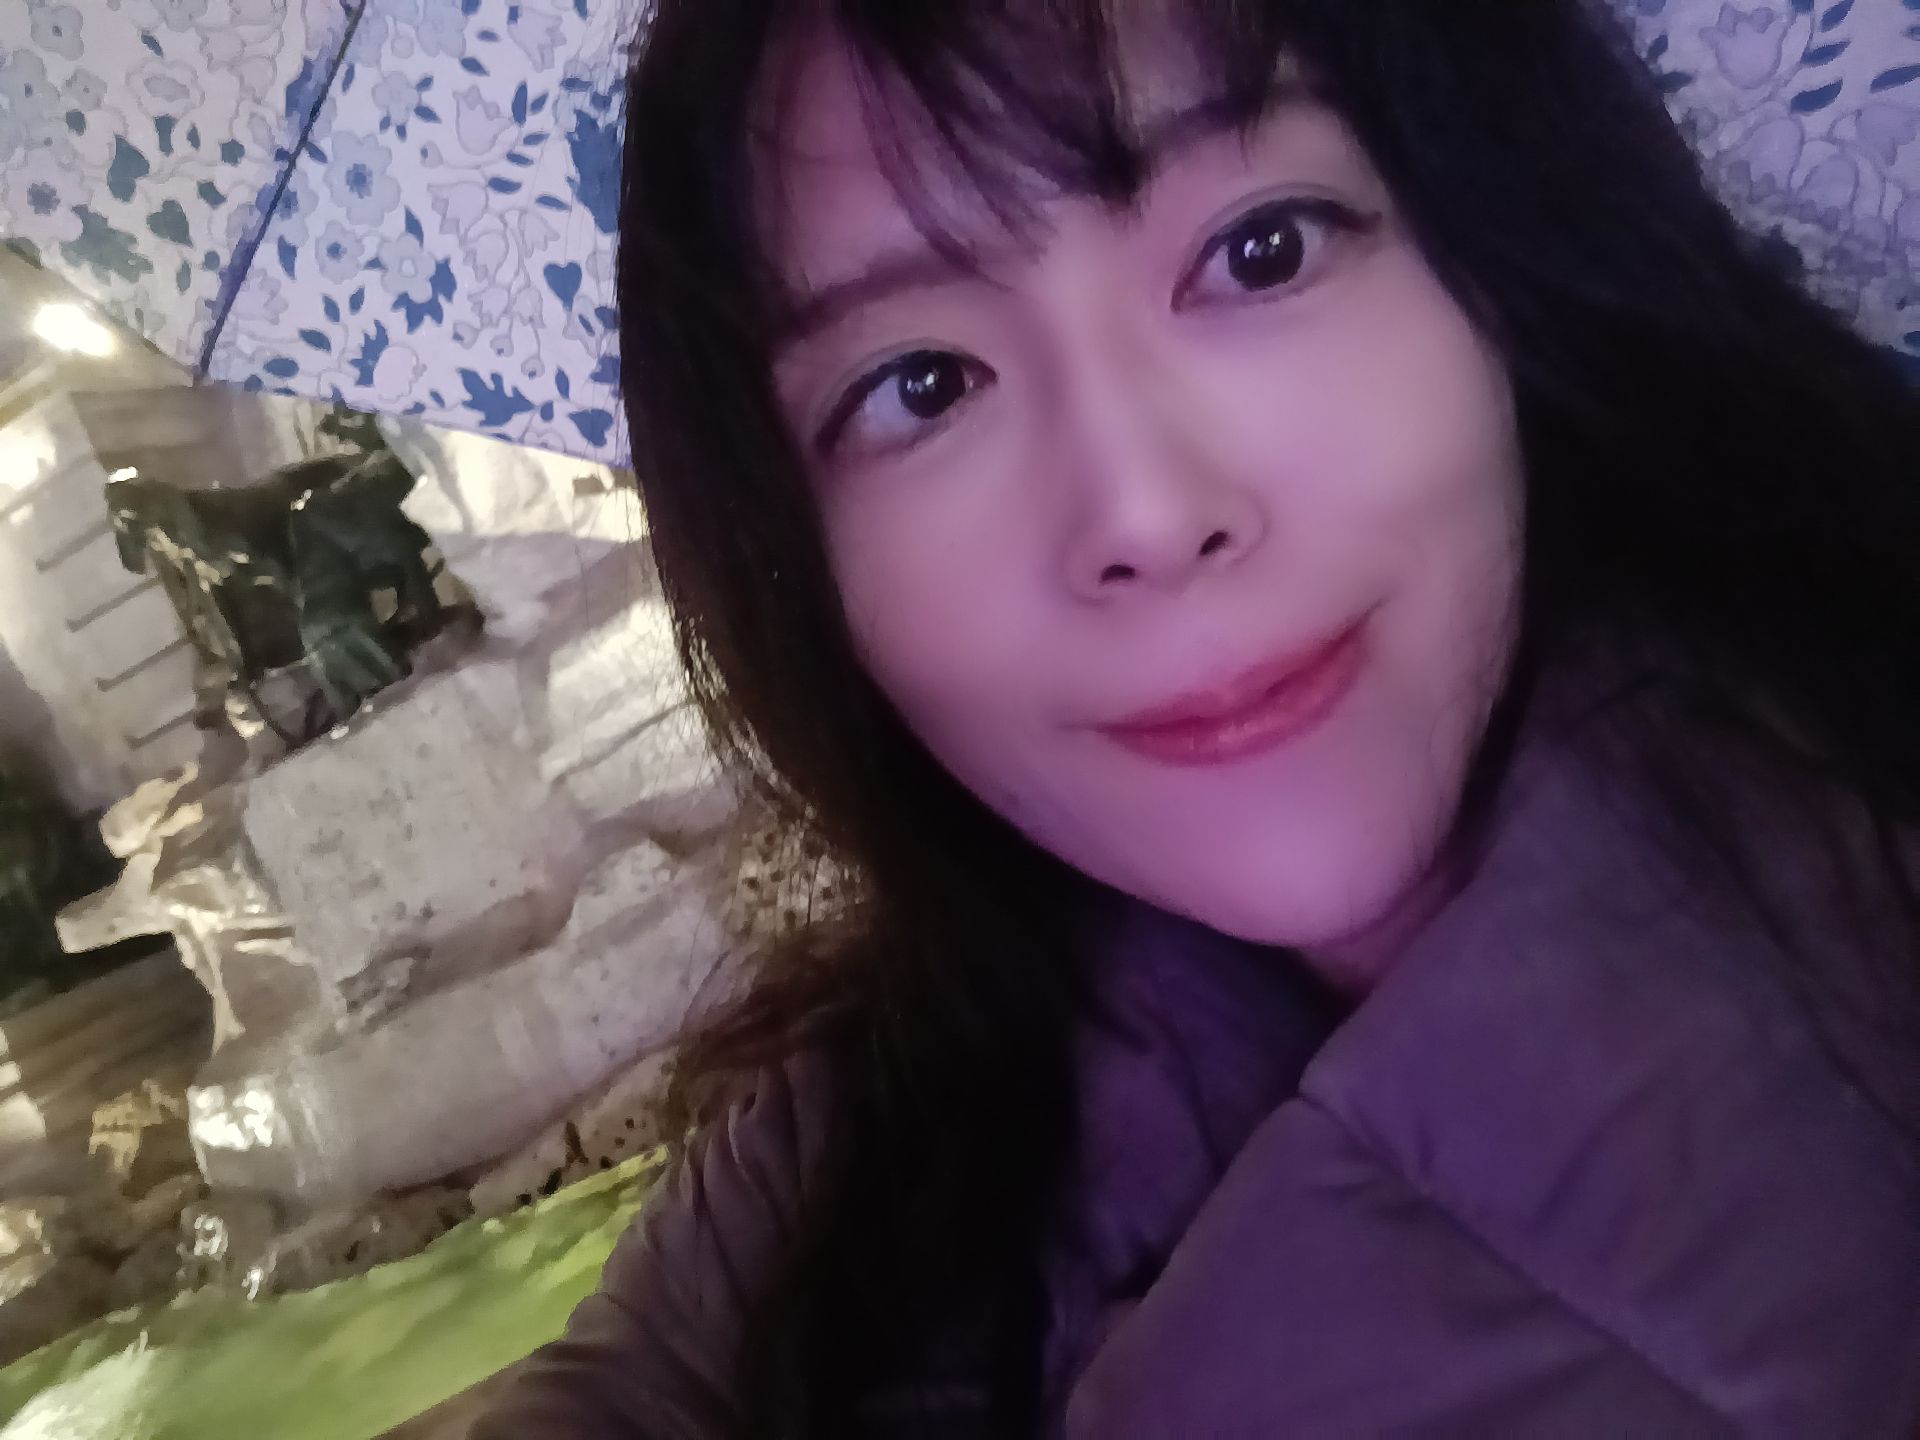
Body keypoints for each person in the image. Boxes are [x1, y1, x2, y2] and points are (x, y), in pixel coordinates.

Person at [475, 0, 1920, 1433]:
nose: (1148, 517)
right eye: (923, 386)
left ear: (1499, 236)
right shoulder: (842, 1173)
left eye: (1262, 249)